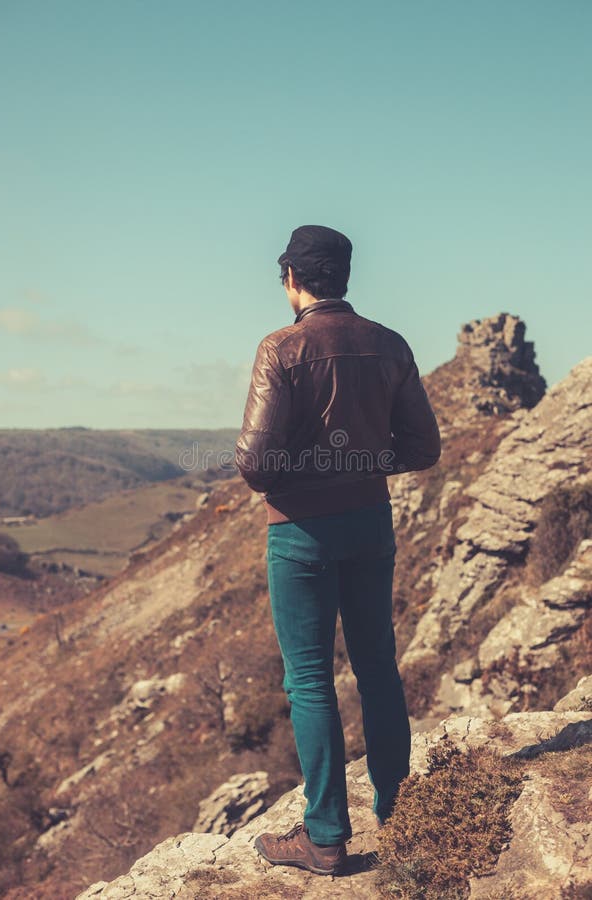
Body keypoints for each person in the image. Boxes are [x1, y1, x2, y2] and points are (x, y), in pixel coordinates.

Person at [234, 224, 441, 876]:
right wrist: (360, 460)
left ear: (291, 278)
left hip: (300, 535)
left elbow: (255, 464)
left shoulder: (281, 349)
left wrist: (310, 467)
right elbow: (423, 448)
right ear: (343, 278)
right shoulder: (389, 345)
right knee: (379, 668)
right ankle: (400, 821)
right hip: (371, 525)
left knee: (311, 682)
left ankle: (325, 838)